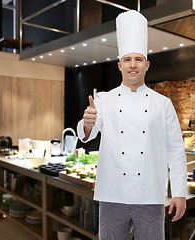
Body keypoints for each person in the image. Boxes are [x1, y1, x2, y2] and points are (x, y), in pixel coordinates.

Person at [77, 10, 187, 240]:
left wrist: (179, 193)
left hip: (150, 195)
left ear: (147, 65)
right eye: (127, 60)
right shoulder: (103, 100)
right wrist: (87, 124)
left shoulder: (163, 104)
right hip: (112, 193)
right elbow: (89, 132)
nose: (133, 65)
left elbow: (176, 150)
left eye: (138, 59)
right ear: (120, 66)